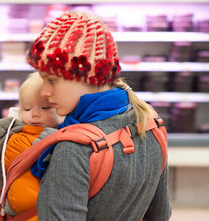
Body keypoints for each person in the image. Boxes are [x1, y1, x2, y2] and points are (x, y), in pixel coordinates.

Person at [25, 12, 172, 220]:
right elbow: (161, 215)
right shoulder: (150, 126)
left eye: (51, 80)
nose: (44, 93)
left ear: (85, 75)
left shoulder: (73, 149)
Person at [0, 71, 60, 220]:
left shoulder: (58, 132)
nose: (35, 114)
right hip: (28, 213)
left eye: (45, 108)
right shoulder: (18, 139)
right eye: (27, 109)